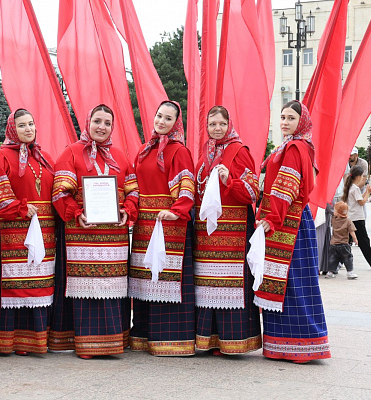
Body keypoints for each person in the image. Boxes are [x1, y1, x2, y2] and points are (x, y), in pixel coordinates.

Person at [52, 104, 139, 359]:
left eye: (107, 123)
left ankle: (114, 342)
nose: (102, 127)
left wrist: (128, 210)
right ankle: (86, 345)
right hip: (82, 238)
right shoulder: (71, 153)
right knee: (86, 291)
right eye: (97, 121)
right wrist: (76, 213)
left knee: (111, 289)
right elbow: (59, 192)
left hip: (114, 240)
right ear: (87, 123)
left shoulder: (121, 156)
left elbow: (133, 190)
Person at [255, 100, 330, 363]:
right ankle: (285, 344)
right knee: (290, 282)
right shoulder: (293, 146)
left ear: (302, 122)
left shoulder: (295, 148)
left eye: (291, 118)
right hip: (293, 219)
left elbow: (286, 185)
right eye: (283, 117)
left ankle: (299, 345)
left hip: (289, 221)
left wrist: (272, 218)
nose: (285, 122)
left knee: (292, 282)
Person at [129, 100, 196, 356]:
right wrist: (132, 211)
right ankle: (143, 335)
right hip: (146, 223)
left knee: (165, 277)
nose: (161, 122)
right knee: (146, 278)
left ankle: (168, 338)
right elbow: (134, 184)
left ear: (176, 123)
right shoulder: (145, 149)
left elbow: (188, 186)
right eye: (159, 116)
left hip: (169, 224)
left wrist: (176, 211)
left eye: (168, 118)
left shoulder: (180, 151)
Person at [193, 106, 261, 355]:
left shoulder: (240, 151)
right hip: (207, 235)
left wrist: (229, 181)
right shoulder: (206, 152)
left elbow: (252, 192)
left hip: (232, 232)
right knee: (208, 285)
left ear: (229, 124)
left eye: (221, 124)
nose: (216, 129)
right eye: (212, 124)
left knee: (230, 284)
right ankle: (209, 339)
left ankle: (232, 340)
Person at [0, 109, 56, 355]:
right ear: (11, 129)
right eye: (21, 125)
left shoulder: (45, 157)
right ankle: (11, 342)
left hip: (45, 233)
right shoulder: (1, 157)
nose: (28, 129)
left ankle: (38, 340)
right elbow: (0, 194)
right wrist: (20, 208)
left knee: (40, 285)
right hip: (14, 234)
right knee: (16, 285)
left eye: (31, 124)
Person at [342, 165, 371, 269]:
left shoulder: (349, 187)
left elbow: (359, 199)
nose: (363, 178)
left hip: (351, 217)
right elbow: (361, 202)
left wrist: (367, 191)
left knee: (349, 241)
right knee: (363, 241)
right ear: (358, 177)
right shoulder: (355, 188)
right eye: (362, 176)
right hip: (357, 218)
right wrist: (369, 192)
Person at [325, 202, 358, 280]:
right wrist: (355, 239)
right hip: (344, 244)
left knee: (333, 259)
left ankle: (330, 272)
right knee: (348, 258)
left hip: (333, 244)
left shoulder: (333, 220)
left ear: (337, 212)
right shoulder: (348, 221)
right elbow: (351, 231)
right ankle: (349, 272)